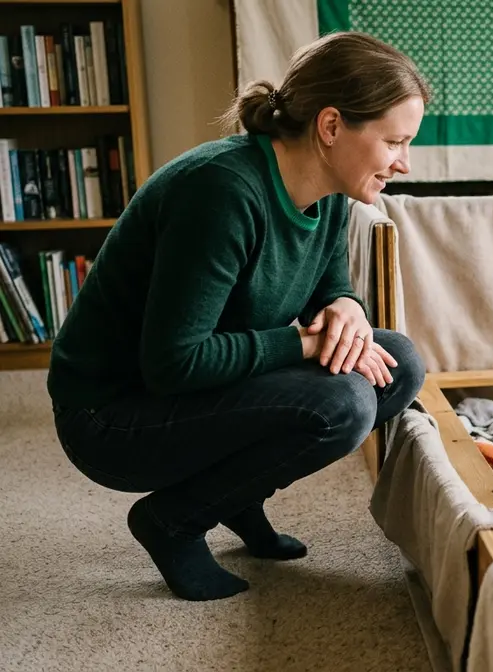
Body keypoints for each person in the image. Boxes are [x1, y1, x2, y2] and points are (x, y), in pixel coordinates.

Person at [46, 31, 431, 602]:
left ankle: (232, 493)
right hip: (112, 417)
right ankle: (173, 520)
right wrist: (306, 344)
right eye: (394, 142)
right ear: (330, 126)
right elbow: (175, 363)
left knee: (397, 362)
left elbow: (327, 282)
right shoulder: (220, 192)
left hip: (198, 387)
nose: (404, 163)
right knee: (344, 403)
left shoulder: (327, 188)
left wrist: (347, 307)